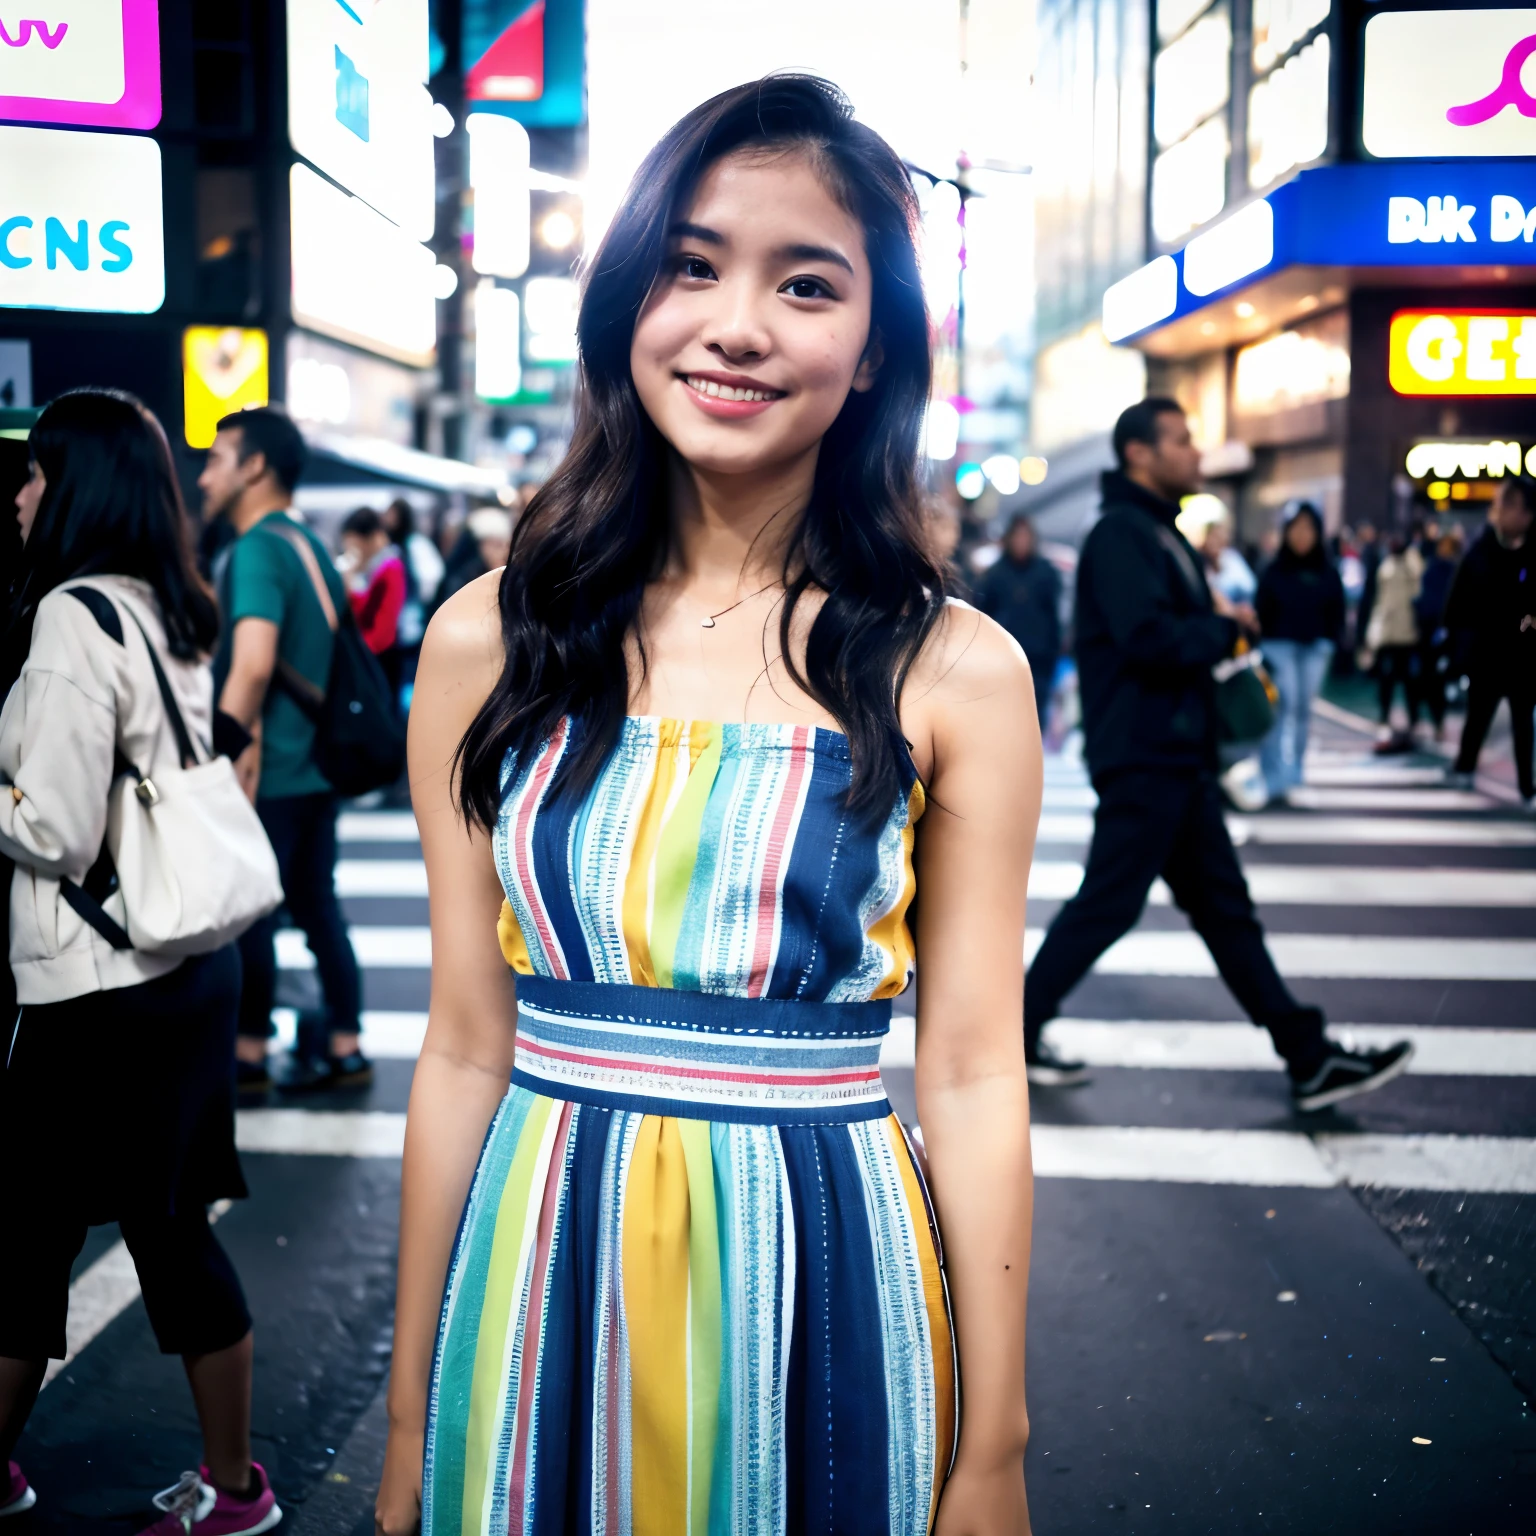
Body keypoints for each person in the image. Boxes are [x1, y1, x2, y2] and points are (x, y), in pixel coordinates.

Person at [376, 76, 1039, 1536]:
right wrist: (413, 1412)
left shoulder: (957, 669)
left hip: (829, 1278)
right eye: (693, 265)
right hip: (535, 1267)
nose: (737, 323)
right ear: (629, 302)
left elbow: (979, 1072)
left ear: (872, 354)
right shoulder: (492, 639)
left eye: (807, 284)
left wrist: (995, 1449)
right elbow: (464, 1049)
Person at [0, 390, 280, 1534]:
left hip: (98, 986)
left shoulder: (72, 615)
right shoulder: (172, 607)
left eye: (33, 473)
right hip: (187, 970)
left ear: (73, 486)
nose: (19, 494)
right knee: (164, 1224)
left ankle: (222, 1488)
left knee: (24, 1231)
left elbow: (52, 829)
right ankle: (232, 1484)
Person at [1021, 398, 1412, 1110]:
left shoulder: (1150, 530)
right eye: (1180, 440)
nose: (1195, 452)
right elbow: (1146, 637)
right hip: (1146, 754)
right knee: (1111, 905)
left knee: (1220, 912)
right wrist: (1223, 630)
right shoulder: (1120, 533)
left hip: (1174, 754)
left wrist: (1213, 622)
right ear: (1139, 452)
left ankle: (1306, 1054)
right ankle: (1013, 1029)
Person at [197, 407, 370, 1093]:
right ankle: (345, 1041)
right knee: (317, 905)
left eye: (217, 458)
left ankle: (247, 1051)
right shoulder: (305, 544)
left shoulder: (258, 548)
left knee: (250, 914)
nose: (206, 475)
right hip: (316, 768)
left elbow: (253, 663)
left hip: (267, 774)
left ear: (255, 467)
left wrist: (214, 752)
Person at [1444, 476, 1536, 804]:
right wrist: (1459, 645)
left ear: (1527, 515)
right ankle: (1465, 768)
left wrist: (1528, 627)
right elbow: (1457, 605)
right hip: (1485, 654)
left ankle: (1527, 786)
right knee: (1478, 715)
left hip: (1525, 656)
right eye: (1499, 505)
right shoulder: (1480, 552)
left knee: (1524, 723)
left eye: (1508, 506)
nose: (1499, 513)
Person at [1255, 502, 1344, 803]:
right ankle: (1275, 777)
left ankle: (1295, 774)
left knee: (1303, 709)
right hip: (1279, 644)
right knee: (1284, 704)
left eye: (1308, 529)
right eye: (1297, 528)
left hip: (1315, 646)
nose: (1302, 535)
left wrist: (1332, 639)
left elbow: (1337, 609)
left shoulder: (1327, 571)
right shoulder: (1274, 569)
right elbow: (1261, 608)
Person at [977, 512, 1062, 725]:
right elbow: (984, 614)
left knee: (1035, 714)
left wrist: (1054, 652)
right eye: (1017, 535)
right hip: (1003, 657)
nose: (1021, 541)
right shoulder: (995, 574)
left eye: (1025, 536)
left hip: (1039, 657)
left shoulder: (1046, 572)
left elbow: (1053, 616)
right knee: (1006, 717)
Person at [1364, 532, 1424, 753]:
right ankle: (1384, 715)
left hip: (1408, 633)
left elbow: (1418, 587)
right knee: (1386, 678)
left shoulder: (1412, 561)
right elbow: (1379, 597)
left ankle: (1414, 718)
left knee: (1409, 680)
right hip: (1387, 632)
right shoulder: (1386, 564)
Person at [380, 498, 444, 697]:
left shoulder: (415, 544)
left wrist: (419, 606)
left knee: (409, 681)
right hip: (393, 627)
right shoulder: (390, 546)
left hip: (412, 623)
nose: (388, 519)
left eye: (392, 514)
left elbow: (432, 577)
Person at [340, 506, 408, 693]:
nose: (352, 551)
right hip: (376, 655)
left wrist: (359, 656)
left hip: (381, 659)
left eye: (355, 545)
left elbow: (383, 631)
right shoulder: (378, 567)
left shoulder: (390, 568)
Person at [1414, 530, 1460, 742]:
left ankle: (1438, 721)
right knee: (1425, 679)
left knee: (1439, 680)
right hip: (1427, 632)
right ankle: (1424, 720)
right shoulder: (1430, 569)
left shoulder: (1455, 571)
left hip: (1446, 634)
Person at [1199, 517, 1257, 606]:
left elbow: (1249, 588)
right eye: (1212, 536)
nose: (1214, 542)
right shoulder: (1199, 560)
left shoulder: (1232, 559)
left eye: (1218, 538)